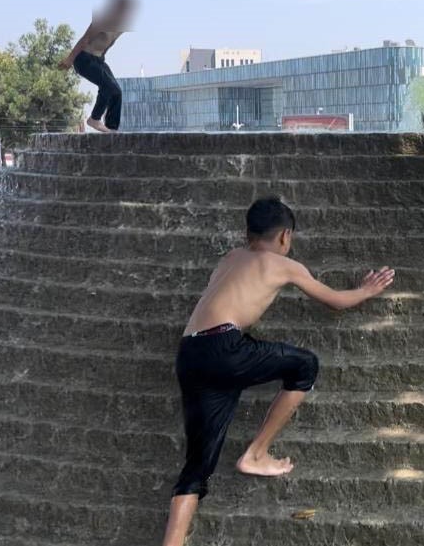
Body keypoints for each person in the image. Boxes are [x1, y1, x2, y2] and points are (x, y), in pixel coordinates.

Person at [160, 196, 395, 546]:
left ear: (248, 232)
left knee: (196, 469)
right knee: (305, 365)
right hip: (225, 348)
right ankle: (255, 453)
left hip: (191, 352)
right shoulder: (283, 265)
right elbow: (333, 301)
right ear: (285, 236)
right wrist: (366, 289)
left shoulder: (229, 258)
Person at [58, 0, 135, 133]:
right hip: (83, 59)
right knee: (109, 86)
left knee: (116, 91)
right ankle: (94, 119)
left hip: (98, 59)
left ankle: (112, 128)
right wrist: (69, 59)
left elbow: (110, 43)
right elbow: (84, 39)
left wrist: (103, 58)